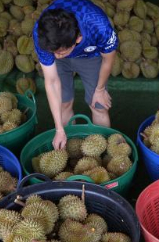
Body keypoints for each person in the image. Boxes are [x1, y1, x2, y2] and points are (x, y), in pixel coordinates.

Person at [34, 0, 118, 149]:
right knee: (64, 103)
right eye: (54, 52)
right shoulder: (42, 33)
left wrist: (100, 90)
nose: (57, 56)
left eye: (60, 52)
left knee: (98, 105)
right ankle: (68, 147)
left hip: (90, 57)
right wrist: (58, 129)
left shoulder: (99, 25)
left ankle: (103, 150)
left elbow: (108, 59)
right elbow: (52, 81)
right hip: (62, 56)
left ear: (78, 38)